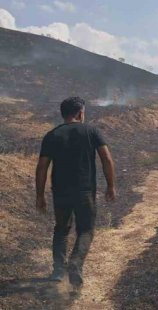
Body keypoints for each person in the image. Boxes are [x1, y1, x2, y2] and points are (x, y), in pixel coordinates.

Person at [35, 96, 117, 286]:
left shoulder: (52, 135)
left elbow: (42, 167)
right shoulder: (91, 131)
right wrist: (111, 185)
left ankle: (58, 270)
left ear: (63, 114)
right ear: (80, 113)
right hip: (84, 192)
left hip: (60, 192)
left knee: (61, 228)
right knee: (86, 229)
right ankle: (76, 263)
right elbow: (106, 158)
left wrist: (40, 195)